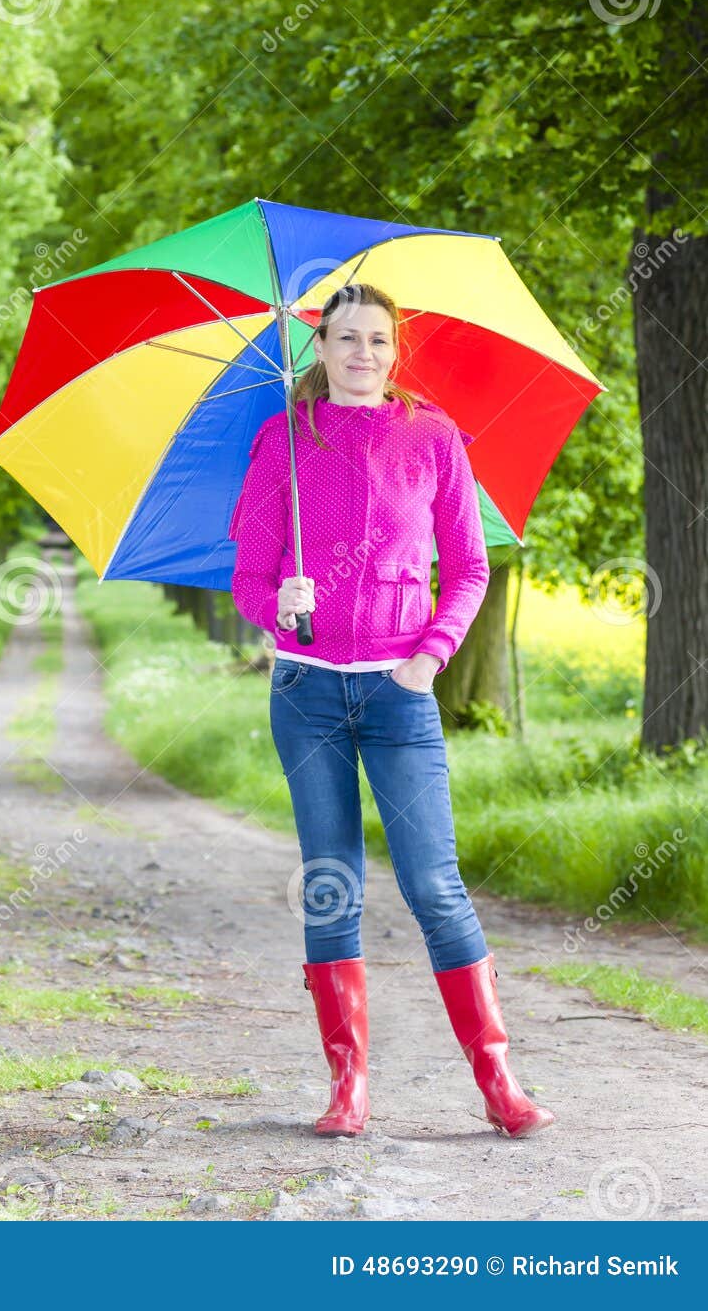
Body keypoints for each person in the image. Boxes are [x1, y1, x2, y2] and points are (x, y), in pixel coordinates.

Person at [227, 281, 555, 1139]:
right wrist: (278, 603)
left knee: (432, 883)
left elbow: (470, 567)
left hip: (397, 692)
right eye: (345, 339)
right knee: (330, 883)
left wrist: (428, 658)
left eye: (376, 340)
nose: (362, 354)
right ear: (320, 348)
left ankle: (498, 1081)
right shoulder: (281, 441)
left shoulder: (434, 438)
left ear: (392, 350)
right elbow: (248, 578)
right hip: (305, 692)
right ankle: (348, 1090)